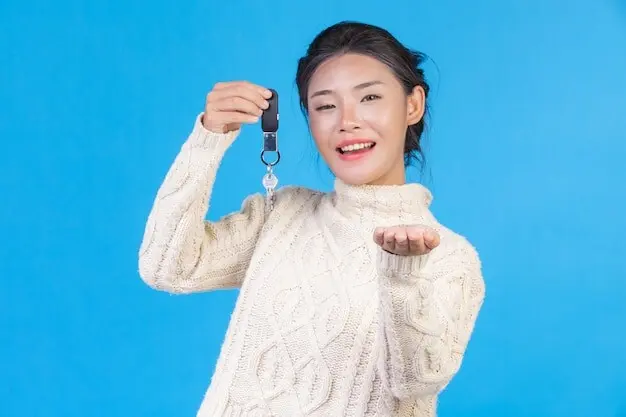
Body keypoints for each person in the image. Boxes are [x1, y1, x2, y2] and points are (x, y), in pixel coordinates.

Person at [138, 21, 485, 417]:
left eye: (370, 97)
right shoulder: (283, 214)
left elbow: (414, 381)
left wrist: (402, 275)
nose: (347, 121)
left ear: (413, 105)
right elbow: (167, 267)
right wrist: (208, 139)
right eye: (325, 106)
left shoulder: (450, 257)